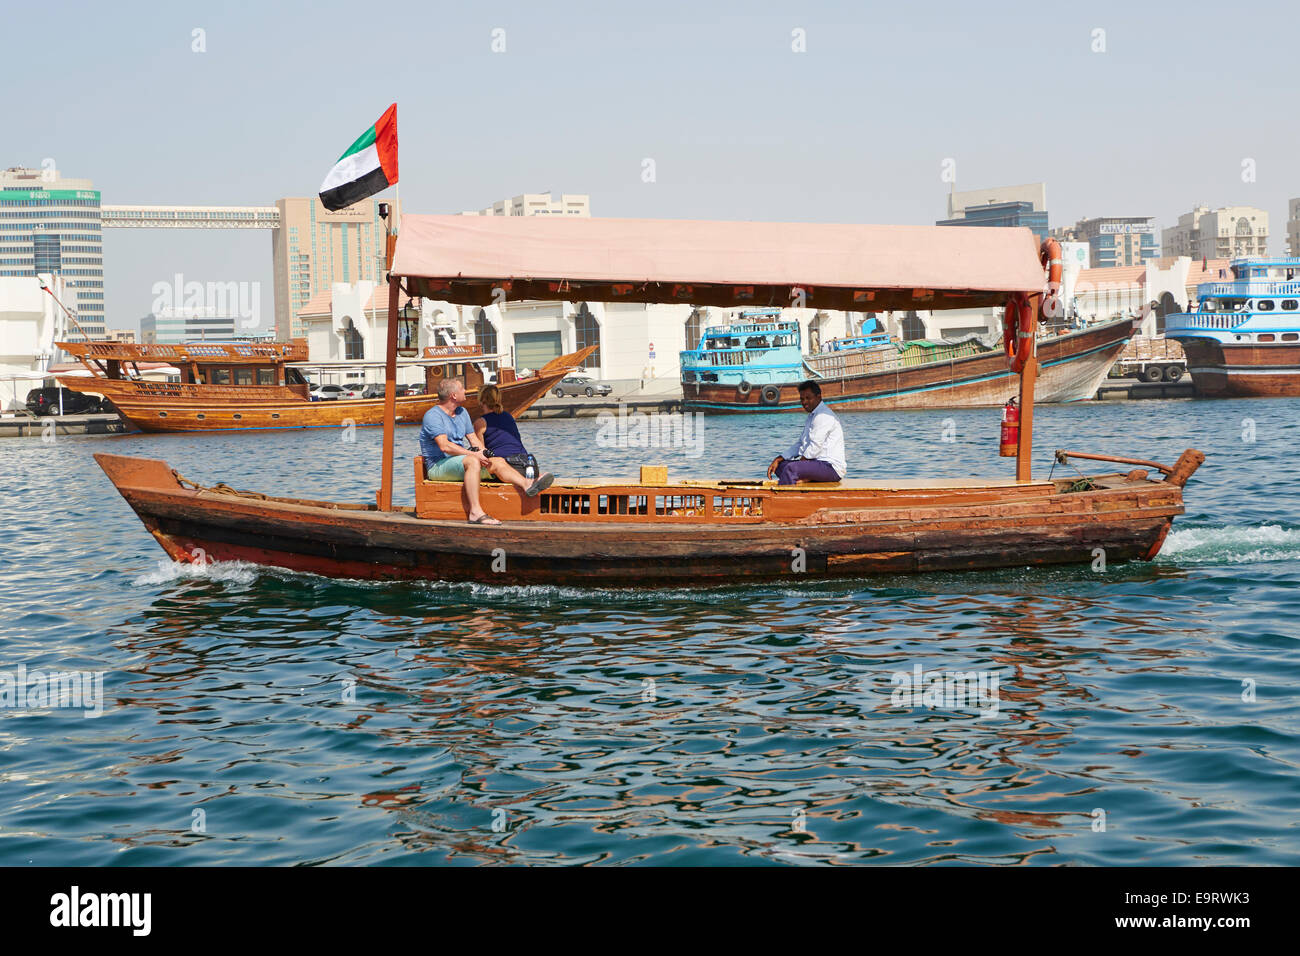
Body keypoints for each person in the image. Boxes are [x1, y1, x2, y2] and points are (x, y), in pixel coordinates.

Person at [419, 377, 552, 525]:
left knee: (498, 461)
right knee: (472, 461)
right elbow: (445, 446)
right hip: (438, 465)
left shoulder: (462, 412)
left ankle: (527, 484)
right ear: (453, 395)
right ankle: (475, 512)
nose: (465, 391)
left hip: (457, 461)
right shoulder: (433, 416)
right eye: (462, 388)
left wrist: (486, 455)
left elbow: (474, 440)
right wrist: (474, 455)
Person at [766, 380, 846, 485]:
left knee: (791, 468)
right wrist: (779, 458)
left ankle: (786, 498)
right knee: (780, 466)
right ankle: (805, 480)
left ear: (819, 397)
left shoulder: (823, 416)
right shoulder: (812, 416)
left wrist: (800, 466)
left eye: (808, 398)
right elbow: (800, 444)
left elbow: (814, 448)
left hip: (831, 468)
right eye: (802, 399)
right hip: (816, 464)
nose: (804, 402)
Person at [472, 384, 551, 488]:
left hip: (508, 467)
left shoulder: (480, 423)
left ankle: (528, 482)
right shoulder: (508, 416)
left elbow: (481, 453)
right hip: (529, 464)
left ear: (481, 401)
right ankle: (536, 478)